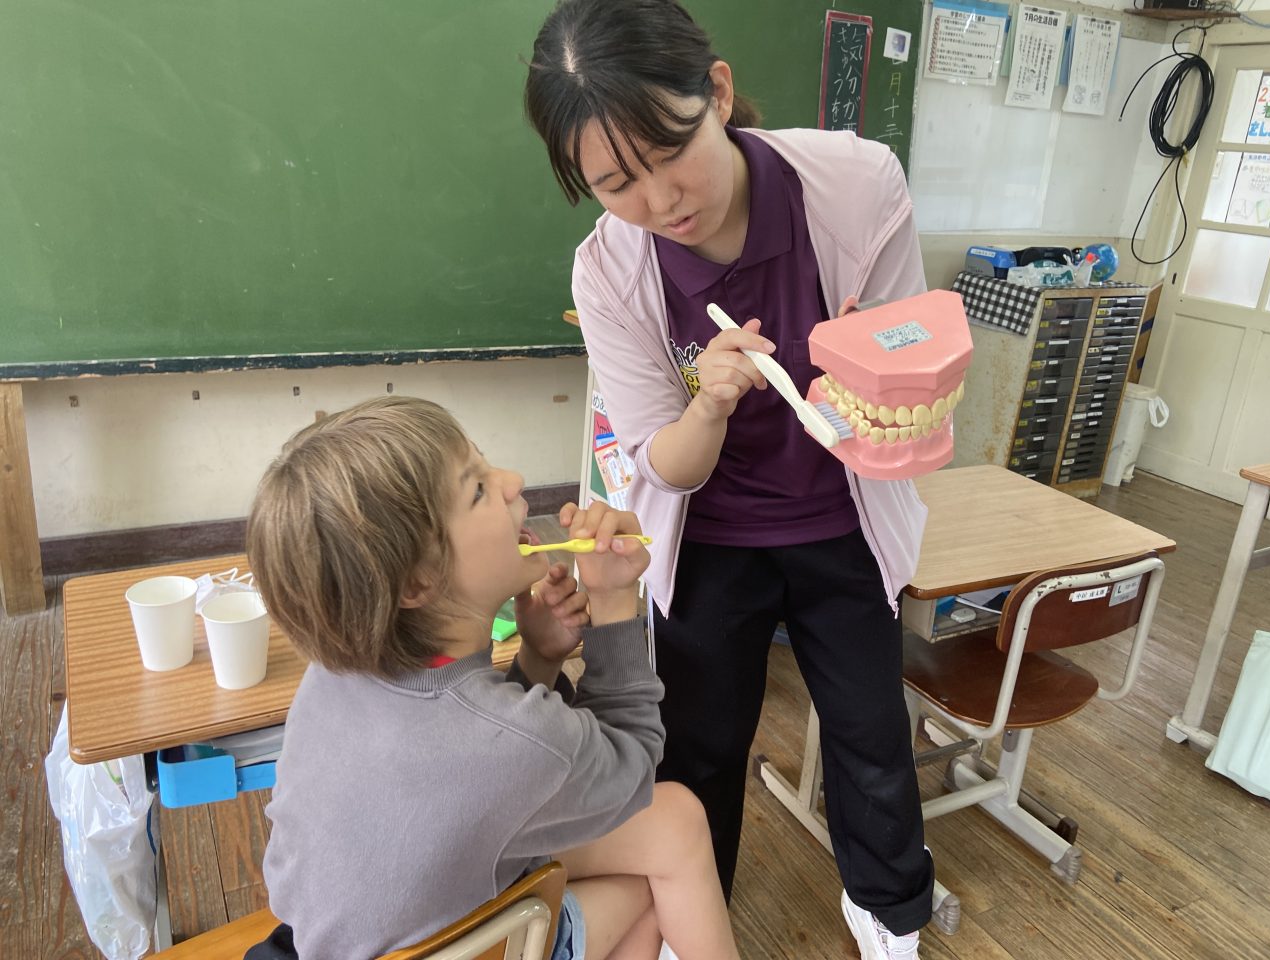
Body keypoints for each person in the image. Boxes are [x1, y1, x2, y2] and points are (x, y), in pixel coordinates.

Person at [524, 2, 934, 957]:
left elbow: (908, 363)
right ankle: (689, 920)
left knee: (872, 731)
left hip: (843, 519)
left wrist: (882, 377)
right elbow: (660, 465)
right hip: (710, 540)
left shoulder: (856, 185)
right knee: (701, 745)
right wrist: (707, 404)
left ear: (715, 92)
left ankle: (891, 911)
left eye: (671, 152)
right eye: (616, 184)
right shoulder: (610, 273)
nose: (660, 200)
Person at [244, 396, 740, 960]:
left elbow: (482, 772)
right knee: (654, 878)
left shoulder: (332, 671)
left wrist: (539, 657)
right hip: (444, 945)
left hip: (319, 937)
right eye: (478, 489)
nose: (513, 481)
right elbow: (631, 768)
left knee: (673, 825)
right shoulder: (514, 742)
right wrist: (613, 600)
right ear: (418, 581)